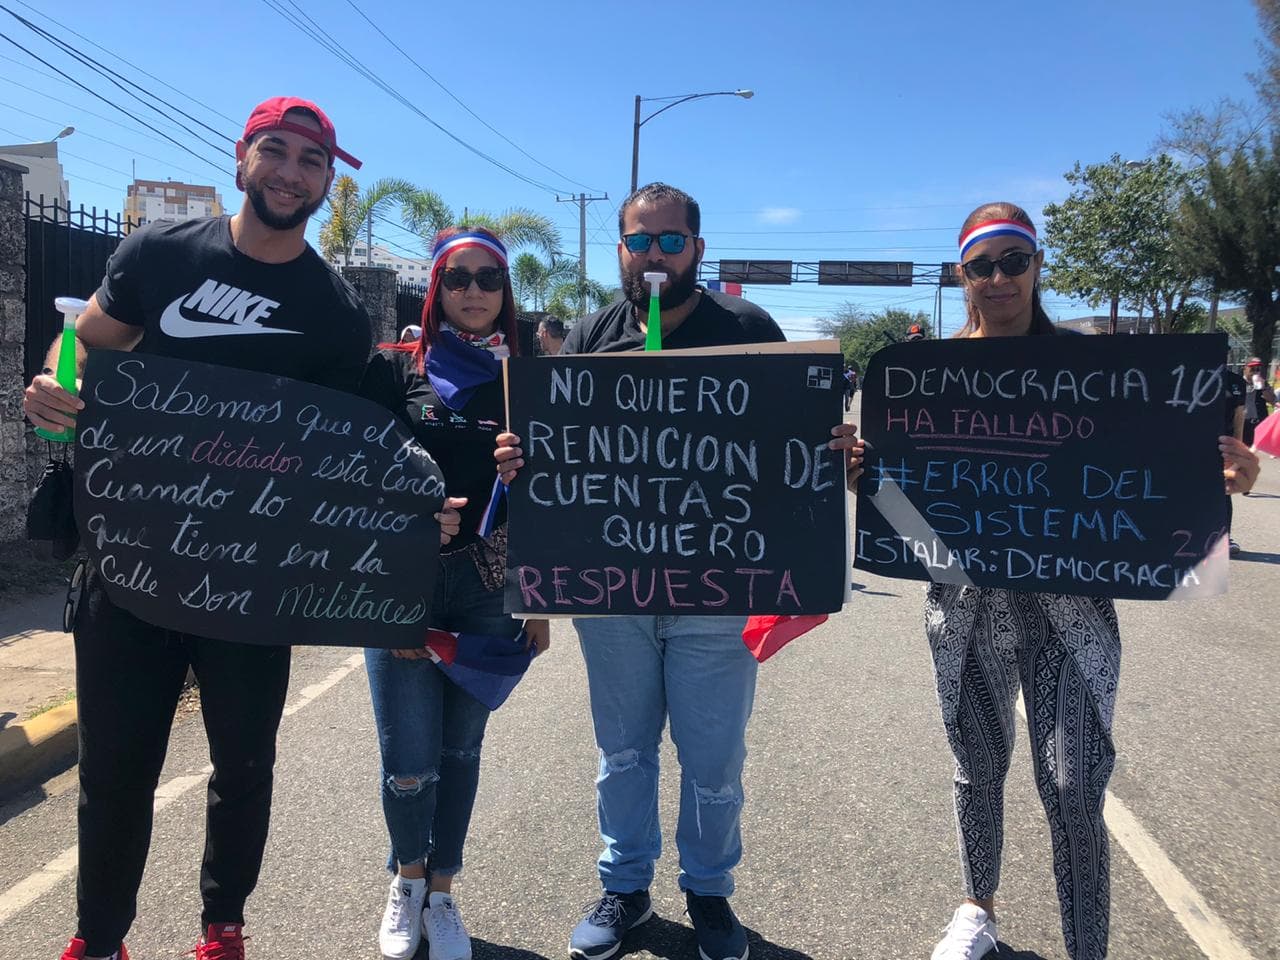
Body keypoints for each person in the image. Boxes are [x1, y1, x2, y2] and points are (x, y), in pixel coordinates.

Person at [22, 97, 435, 960]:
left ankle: (223, 925)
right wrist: (56, 388)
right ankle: (99, 938)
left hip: (255, 580)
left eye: (311, 161)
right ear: (243, 155)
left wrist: (415, 510)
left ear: (327, 181)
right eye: (275, 151)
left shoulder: (334, 313)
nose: (291, 173)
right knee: (114, 769)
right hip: (128, 559)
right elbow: (87, 343)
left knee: (244, 765)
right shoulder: (159, 253)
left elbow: (339, 454)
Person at [494, 183, 863, 960]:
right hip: (613, 591)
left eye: (669, 241)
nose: (653, 255)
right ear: (621, 250)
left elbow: (792, 440)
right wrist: (521, 456)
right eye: (640, 241)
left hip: (717, 592)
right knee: (622, 752)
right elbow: (560, 448)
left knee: (714, 759)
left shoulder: (748, 329)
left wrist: (830, 446)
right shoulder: (592, 334)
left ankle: (709, 892)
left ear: (697, 248)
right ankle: (625, 887)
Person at [924, 202, 1259, 960]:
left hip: (1069, 614)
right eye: (982, 266)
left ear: (1037, 265)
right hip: (965, 607)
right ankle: (977, 907)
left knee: (1075, 785)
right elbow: (901, 497)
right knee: (975, 766)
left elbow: (1160, 472)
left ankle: (1087, 945)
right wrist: (863, 475)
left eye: (1014, 261)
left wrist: (1225, 481)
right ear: (962, 275)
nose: (999, 279)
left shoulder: (1098, 373)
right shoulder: (930, 375)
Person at [358, 227, 551, 960]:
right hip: (402, 581)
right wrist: (403, 523)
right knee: (408, 762)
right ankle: (406, 878)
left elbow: (559, 502)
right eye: (459, 277)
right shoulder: (394, 368)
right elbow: (349, 468)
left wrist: (538, 598)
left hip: (489, 584)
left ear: (506, 293)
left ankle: (442, 889)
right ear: (437, 288)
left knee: (462, 750)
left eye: (489, 278)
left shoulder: (526, 381)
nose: (474, 290)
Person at [1223, 359, 1247, 554]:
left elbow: (1239, 416)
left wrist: (1238, 448)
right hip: (1195, 443)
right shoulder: (1192, 373)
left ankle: (1225, 537)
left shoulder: (1235, 381)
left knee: (1224, 491)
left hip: (1224, 444)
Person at [1242, 357, 1275, 447]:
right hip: (1243, 423)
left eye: (1258, 369)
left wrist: (1263, 387)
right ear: (1245, 368)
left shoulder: (1264, 383)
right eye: (1252, 368)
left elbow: (1272, 400)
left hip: (1259, 422)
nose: (1255, 371)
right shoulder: (1238, 382)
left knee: (1259, 449)